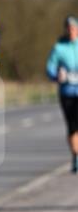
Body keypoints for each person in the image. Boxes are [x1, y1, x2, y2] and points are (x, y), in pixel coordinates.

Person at [46, 15, 78, 173]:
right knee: (72, 125)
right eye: (69, 28)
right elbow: (50, 67)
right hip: (66, 92)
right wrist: (56, 75)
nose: (71, 30)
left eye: (73, 27)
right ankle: (75, 155)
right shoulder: (59, 47)